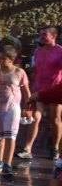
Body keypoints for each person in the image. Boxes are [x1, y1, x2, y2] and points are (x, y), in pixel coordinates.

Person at [17, 25, 62, 161]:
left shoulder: (60, 51)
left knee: (55, 120)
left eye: (45, 34)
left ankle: (55, 148)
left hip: (54, 90)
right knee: (35, 118)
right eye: (41, 34)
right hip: (39, 89)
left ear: (53, 36)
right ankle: (27, 148)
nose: (41, 37)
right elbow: (36, 69)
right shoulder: (38, 51)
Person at [0, 43, 30, 177]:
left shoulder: (19, 72)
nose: (0, 61)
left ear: (11, 59)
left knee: (10, 136)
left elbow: (26, 91)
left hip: (12, 107)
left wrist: (27, 108)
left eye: (3, 58)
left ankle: (8, 163)